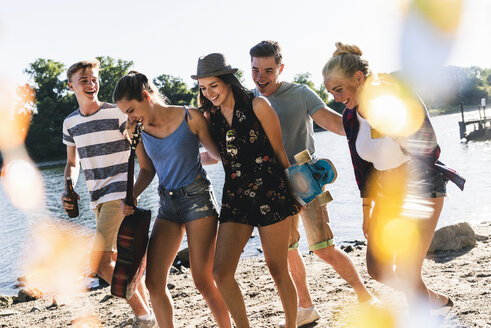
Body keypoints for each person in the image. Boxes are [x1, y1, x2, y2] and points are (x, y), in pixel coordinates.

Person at [322, 42, 465, 314]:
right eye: (331, 92)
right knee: (378, 269)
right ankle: (432, 300)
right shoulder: (351, 117)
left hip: (421, 183)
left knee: (407, 269)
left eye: (338, 90)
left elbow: (430, 146)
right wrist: (367, 212)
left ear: (358, 78)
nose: (336, 98)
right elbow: (363, 171)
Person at [249, 40, 375, 327]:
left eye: (268, 70)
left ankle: (365, 296)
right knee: (287, 251)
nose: (261, 77)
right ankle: (306, 307)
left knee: (322, 247)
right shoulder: (248, 100)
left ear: (280, 68)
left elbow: (336, 124)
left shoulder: (300, 93)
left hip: (308, 181)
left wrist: (374, 126)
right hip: (273, 188)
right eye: (255, 70)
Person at [113, 71, 232, 328]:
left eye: (132, 110)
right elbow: (147, 169)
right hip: (167, 206)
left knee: (202, 280)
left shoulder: (191, 116)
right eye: (126, 114)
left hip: (198, 200)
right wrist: (131, 195)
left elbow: (217, 153)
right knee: (153, 282)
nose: (130, 117)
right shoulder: (139, 131)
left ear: (146, 96)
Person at [193, 53, 300, 328]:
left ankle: (291, 325)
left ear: (227, 80)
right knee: (221, 272)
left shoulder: (258, 105)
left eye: (213, 85)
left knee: (277, 268)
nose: (209, 93)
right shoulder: (211, 117)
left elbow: (279, 151)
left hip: (271, 192)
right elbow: (216, 155)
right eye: (203, 88)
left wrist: (296, 194)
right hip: (235, 197)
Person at [61, 60, 156, 328]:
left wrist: (134, 192)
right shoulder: (70, 123)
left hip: (119, 194)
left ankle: (144, 316)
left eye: (93, 79)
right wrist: (68, 183)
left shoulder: (118, 113)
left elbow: (141, 157)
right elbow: (72, 162)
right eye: (84, 81)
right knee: (117, 260)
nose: (91, 84)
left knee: (101, 262)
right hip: (95, 198)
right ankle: (147, 313)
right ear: (71, 86)